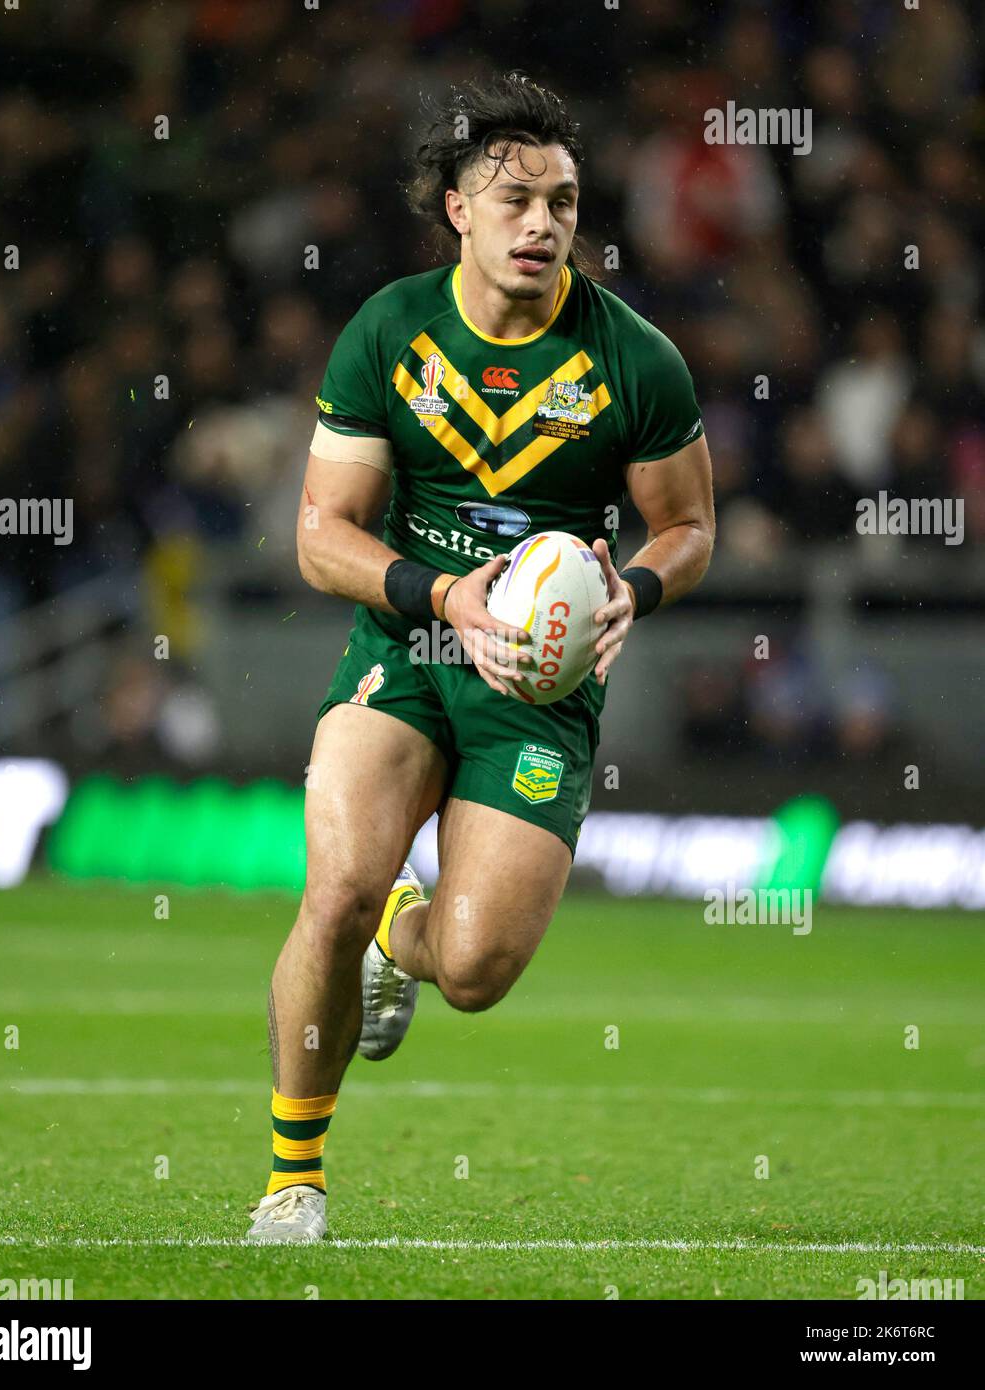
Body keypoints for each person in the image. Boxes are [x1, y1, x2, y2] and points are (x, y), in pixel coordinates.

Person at [247, 72, 715, 1243]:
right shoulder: (390, 331)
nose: (543, 223)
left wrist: (636, 587)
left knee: (472, 971)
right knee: (336, 887)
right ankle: (292, 1182)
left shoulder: (635, 360)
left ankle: (404, 936)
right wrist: (444, 594)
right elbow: (321, 537)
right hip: (405, 647)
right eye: (514, 199)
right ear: (456, 208)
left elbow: (690, 525)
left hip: (541, 689)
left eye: (561, 199)